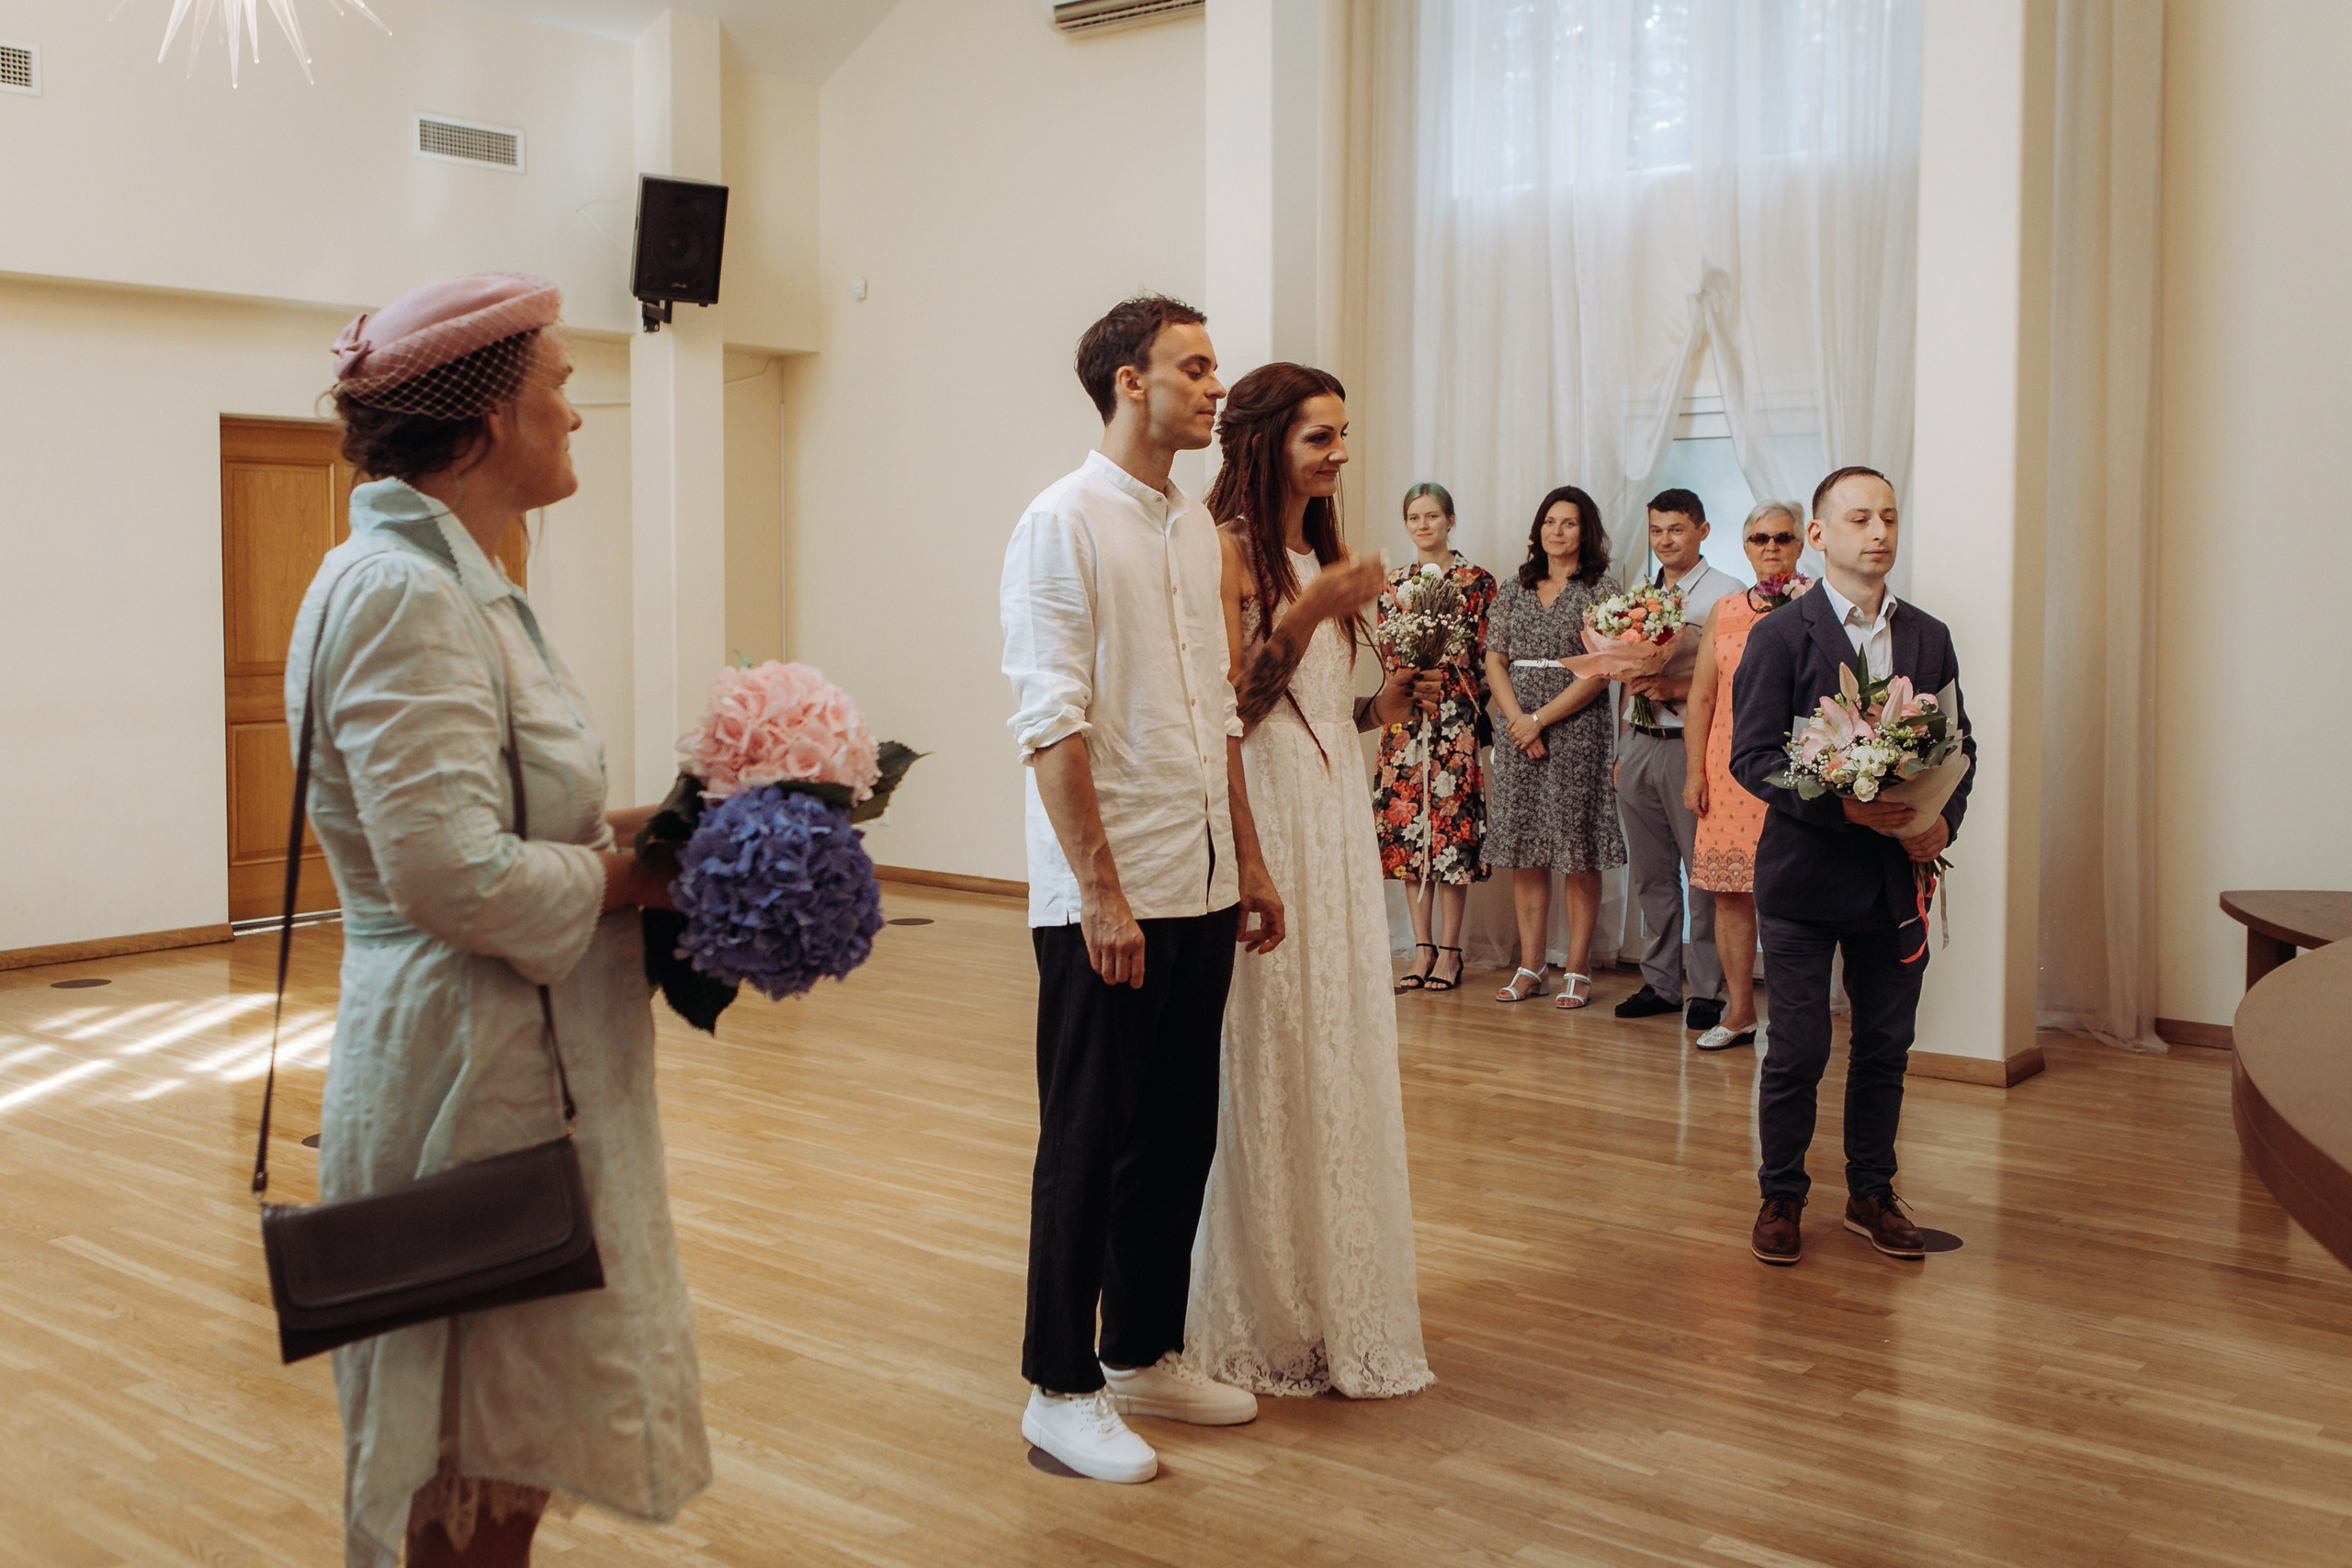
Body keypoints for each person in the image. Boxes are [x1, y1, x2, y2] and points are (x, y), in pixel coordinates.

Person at [292, 274, 708, 1568]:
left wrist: (693, 828)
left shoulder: (451, 577)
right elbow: (449, 875)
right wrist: (640, 881)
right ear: (478, 427)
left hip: (520, 1064)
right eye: (559, 390)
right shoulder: (399, 593)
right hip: (464, 1083)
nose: (578, 417)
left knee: (507, 1452)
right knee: (466, 1464)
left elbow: (513, 823)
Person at [999, 296, 1284, 1485]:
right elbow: (1049, 719)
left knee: (1178, 1132)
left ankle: (1141, 1349)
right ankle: (1058, 1387)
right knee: (1086, 1140)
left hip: (1203, 878)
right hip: (1104, 900)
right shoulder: (1058, 523)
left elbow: (1217, 710)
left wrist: (1251, 858)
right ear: (1129, 380)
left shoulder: (1189, 530)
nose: (1216, 387)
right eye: (1196, 367)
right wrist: (1100, 892)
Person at [1186, 361, 1437, 1400]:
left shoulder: (1321, 554)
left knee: (1336, 1041)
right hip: (1268, 817)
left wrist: (1392, 703)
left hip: (1336, 819)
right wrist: (1312, 610)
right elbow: (1228, 709)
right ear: (1261, 445)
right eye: (1316, 439)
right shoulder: (1228, 554)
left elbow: (1326, 711)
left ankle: (1343, 1292)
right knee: (1272, 1046)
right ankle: (1265, 1304)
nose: (1338, 455)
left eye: (1343, 436)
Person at [1730, 466, 1976, 1267]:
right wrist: (1841, 806)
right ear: (1819, 536)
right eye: (1861, 518)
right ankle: (1781, 1195)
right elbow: (1753, 758)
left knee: (1885, 1044)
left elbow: (1959, 750)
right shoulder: (1780, 635)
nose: (1879, 533)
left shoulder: (1928, 636)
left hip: (1892, 884)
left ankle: (1872, 1192)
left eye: (1891, 518)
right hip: (1802, 881)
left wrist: (1941, 822)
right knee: (1798, 1047)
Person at [1482, 487, 1624, 1010]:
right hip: (1516, 727)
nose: (1557, 531)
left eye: (1569, 523)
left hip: (1576, 731)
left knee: (1577, 850)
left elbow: (1603, 669)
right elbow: (1495, 659)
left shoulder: (1601, 589)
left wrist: (1541, 719)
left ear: (1585, 532)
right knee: (1526, 851)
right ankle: (1531, 965)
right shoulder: (1514, 587)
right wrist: (1519, 722)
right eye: (1549, 521)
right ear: (1538, 528)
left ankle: (1579, 967)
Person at [1680, 502, 1808, 1051]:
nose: (1771, 547)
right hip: (1728, 773)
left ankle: (1795, 1018)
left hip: (1794, 771)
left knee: (1793, 897)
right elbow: (1702, 694)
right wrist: (1694, 773)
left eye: (1783, 537)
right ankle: (1739, 1013)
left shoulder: (1816, 608)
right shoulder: (1726, 609)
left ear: (1803, 543)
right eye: (1760, 538)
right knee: (1731, 896)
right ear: (1746, 544)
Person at [1613, 488, 1742, 1031]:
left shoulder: (1728, 595)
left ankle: (1708, 990)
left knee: (1704, 875)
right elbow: (1624, 675)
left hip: (1694, 749)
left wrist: (1670, 684)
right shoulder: (1640, 594)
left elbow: (1733, 684)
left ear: (1703, 531)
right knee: (1651, 875)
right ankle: (1660, 981)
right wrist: (1622, 749)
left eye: (1677, 530)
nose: (1666, 540)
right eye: (1658, 530)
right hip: (1640, 744)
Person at [1374, 482, 1498, 995]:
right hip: (1403, 724)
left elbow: (1491, 656)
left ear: (1450, 520)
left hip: (1454, 721)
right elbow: (1386, 651)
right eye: (1413, 518)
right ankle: (1418, 947)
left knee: (1451, 835)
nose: (1423, 526)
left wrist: (1459, 696)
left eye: (1432, 516)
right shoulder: (1392, 583)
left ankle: (1450, 951)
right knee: (1409, 837)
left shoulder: (1476, 582)